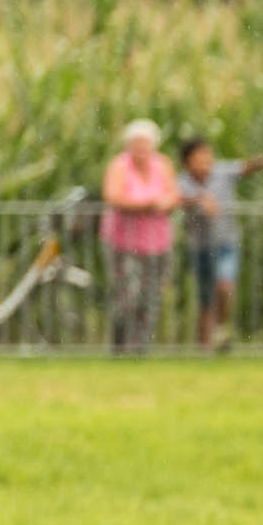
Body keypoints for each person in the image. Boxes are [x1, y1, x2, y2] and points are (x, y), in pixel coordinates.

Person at [175, 138, 263, 351]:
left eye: (208, 156)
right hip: (200, 247)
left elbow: (245, 167)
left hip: (226, 243)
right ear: (187, 162)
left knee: (225, 286)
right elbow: (175, 198)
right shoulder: (182, 181)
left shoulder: (222, 172)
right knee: (205, 297)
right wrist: (199, 200)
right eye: (199, 158)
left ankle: (221, 328)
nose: (206, 161)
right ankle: (204, 347)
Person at [100, 119, 180, 354]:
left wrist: (164, 203)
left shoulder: (162, 165)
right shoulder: (119, 166)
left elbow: (174, 195)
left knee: (151, 296)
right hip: (123, 242)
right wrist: (147, 205)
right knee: (127, 296)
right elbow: (113, 197)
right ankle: (120, 345)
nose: (141, 151)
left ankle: (140, 347)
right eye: (137, 146)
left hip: (157, 243)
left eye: (146, 146)